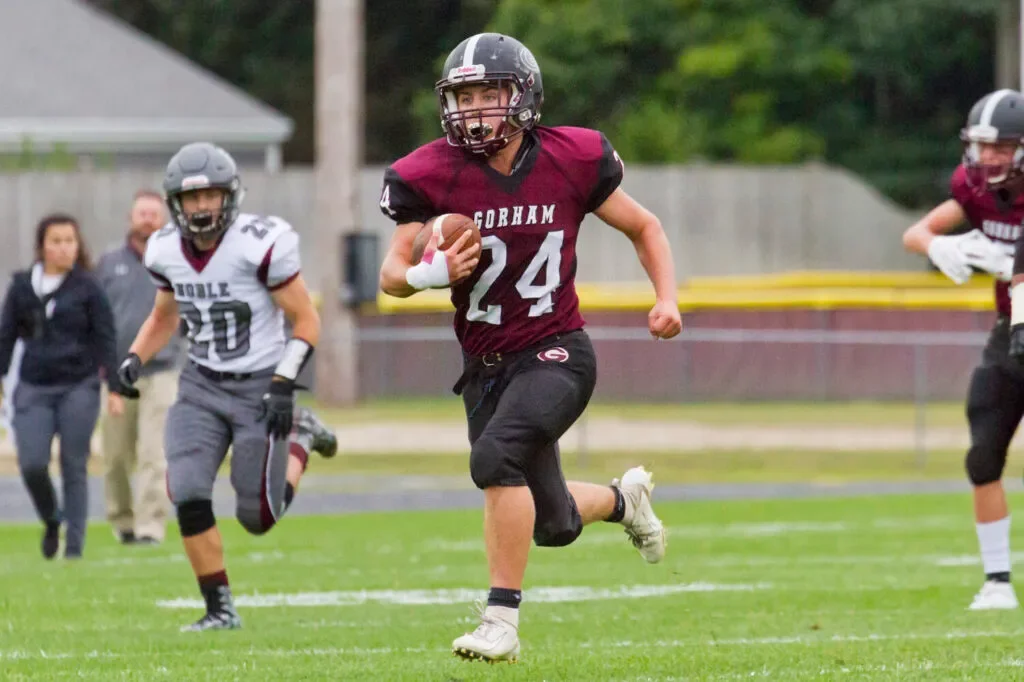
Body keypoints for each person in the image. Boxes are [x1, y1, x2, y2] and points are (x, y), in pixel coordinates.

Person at [378, 33, 682, 662]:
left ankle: (500, 622)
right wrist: (425, 276)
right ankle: (627, 502)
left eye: (491, 93)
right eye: (464, 96)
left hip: (557, 351)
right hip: (485, 368)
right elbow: (389, 275)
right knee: (556, 523)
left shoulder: (573, 156)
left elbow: (643, 225)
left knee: (494, 459)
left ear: (524, 96)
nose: (476, 109)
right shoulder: (429, 172)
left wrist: (667, 297)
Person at [112, 142, 339, 632]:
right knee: (187, 489)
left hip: (260, 384)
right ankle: (219, 608)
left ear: (229, 196)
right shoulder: (165, 250)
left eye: (209, 196)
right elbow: (163, 316)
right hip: (201, 385)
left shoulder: (260, 243)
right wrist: (134, 357)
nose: (200, 208)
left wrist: (283, 383)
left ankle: (300, 435)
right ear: (176, 204)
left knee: (259, 515)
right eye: (191, 199)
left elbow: (305, 320)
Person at [903, 88, 1024, 611]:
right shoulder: (972, 188)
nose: (989, 157)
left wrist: (1008, 268)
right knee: (983, 452)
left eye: (1002, 147)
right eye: (983, 145)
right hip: (1011, 329)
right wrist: (938, 245)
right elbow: (915, 231)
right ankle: (997, 580)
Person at [0, 213, 121, 560]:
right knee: (33, 464)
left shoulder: (88, 287)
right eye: (56, 241)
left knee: (74, 463)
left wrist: (113, 387)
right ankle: (52, 519)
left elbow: (105, 338)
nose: (64, 247)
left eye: (70, 240)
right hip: (34, 387)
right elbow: (5, 337)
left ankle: (74, 549)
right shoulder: (22, 286)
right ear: (42, 246)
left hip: (78, 386)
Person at [96, 190, 183, 546]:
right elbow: (95, 318)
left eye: (153, 213)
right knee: (115, 455)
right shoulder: (107, 263)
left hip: (161, 369)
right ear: (131, 218)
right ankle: (123, 522)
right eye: (141, 213)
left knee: (154, 453)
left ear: (162, 219)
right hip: (116, 374)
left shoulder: (175, 259)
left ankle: (150, 526)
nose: (147, 219)